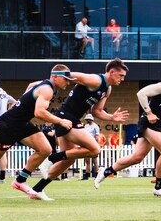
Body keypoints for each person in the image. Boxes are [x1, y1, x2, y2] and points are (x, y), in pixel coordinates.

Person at [0, 65, 74, 204]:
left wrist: (20, 103)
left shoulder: (45, 83)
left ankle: (20, 181)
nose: (68, 82)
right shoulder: (47, 89)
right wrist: (61, 121)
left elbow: (31, 85)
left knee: (45, 149)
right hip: (9, 124)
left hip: (22, 123)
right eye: (66, 79)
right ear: (55, 77)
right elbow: (39, 113)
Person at [29, 59, 130, 201]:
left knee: (68, 159)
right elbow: (69, 74)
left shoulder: (107, 89)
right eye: (121, 75)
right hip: (65, 117)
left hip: (71, 119)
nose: (123, 79)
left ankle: (37, 189)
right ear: (112, 72)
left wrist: (112, 118)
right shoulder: (95, 80)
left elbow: (97, 112)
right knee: (95, 150)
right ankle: (51, 158)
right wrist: (46, 83)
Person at [94, 65, 161, 198]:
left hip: (157, 124)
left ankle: (105, 171)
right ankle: (159, 187)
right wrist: (149, 113)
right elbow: (141, 93)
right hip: (148, 122)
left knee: (137, 158)